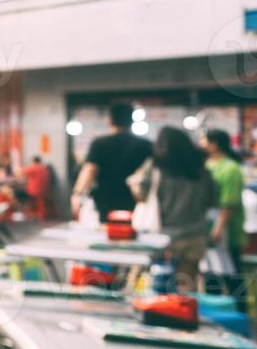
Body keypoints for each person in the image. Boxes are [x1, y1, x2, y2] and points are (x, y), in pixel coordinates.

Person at [128, 127, 216, 291]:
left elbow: (140, 194)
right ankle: (182, 316)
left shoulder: (155, 165)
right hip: (194, 235)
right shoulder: (201, 169)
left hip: (159, 235)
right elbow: (212, 201)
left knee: (140, 281)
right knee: (186, 287)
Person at [72, 101, 153, 222]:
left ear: (110, 120)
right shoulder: (146, 145)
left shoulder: (99, 144)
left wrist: (77, 194)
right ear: (132, 120)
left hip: (106, 201)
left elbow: (90, 170)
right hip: (137, 201)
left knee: (109, 233)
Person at [205, 128, 248, 306]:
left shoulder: (231, 168)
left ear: (214, 144)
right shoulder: (207, 166)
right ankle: (214, 313)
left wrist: (219, 228)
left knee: (232, 275)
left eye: (205, 141)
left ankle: (240, 312)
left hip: (227, 230)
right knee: (210, 274)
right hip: (208, 228)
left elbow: (229, 202)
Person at [23, 155, 51, 222]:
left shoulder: (34, 167)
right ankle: (41, 215)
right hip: (43, 189)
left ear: (34, 161)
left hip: (34, 189)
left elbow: (23, 172)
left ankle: (31, 214)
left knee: (30, 201)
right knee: (40, 202)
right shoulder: (44, 168)